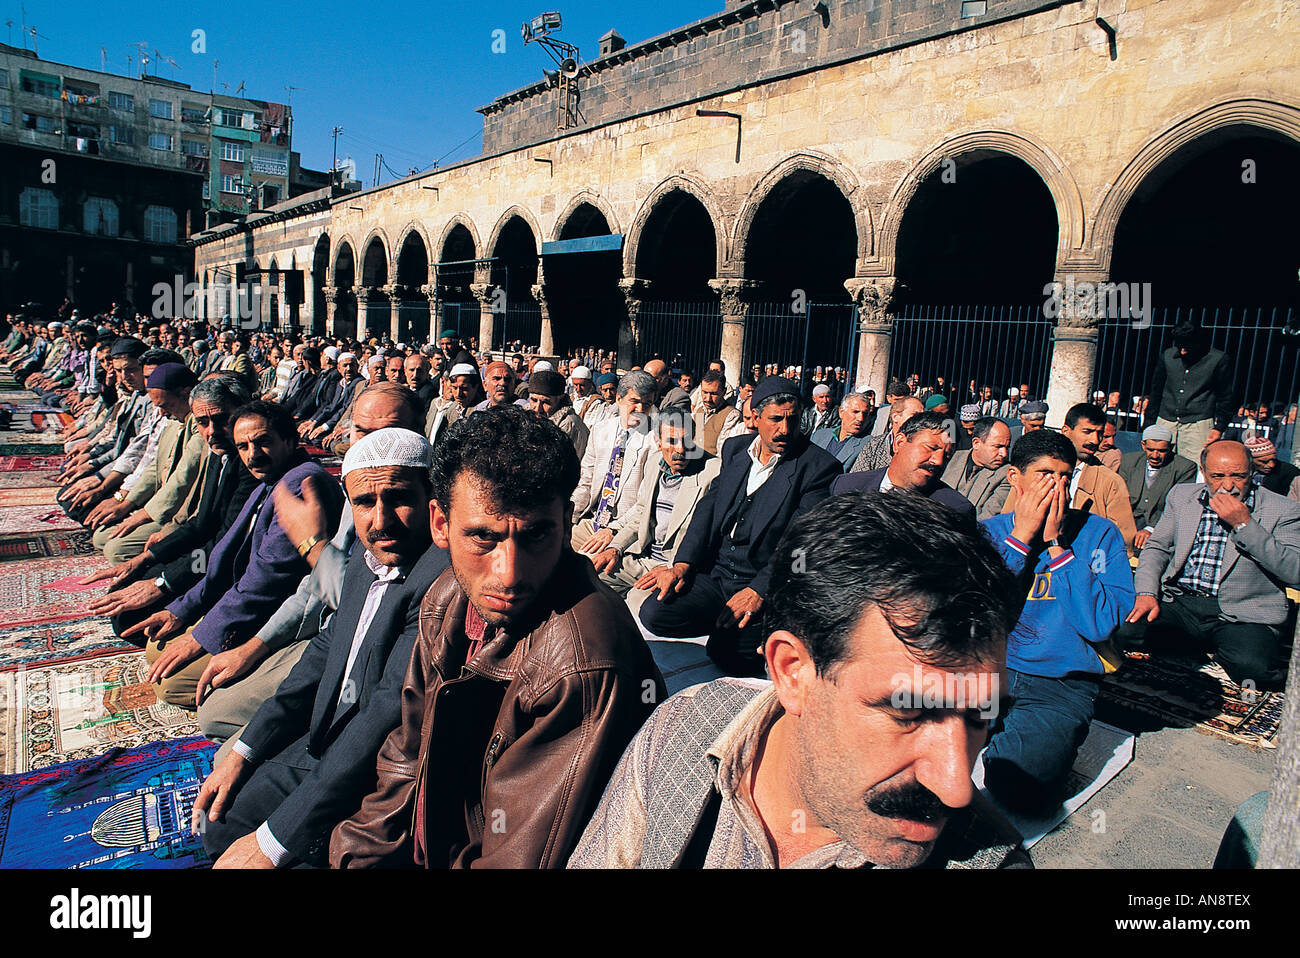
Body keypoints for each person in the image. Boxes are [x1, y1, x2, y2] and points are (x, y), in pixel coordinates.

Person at [570, 492, 1029, 869]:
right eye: (910, 713)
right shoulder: (684, 726)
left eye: (980, 718)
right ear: (792, 672)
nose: (957, 785)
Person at [329, 406, 665, 868]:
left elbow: (516, 857)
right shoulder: (446, 600)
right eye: (483, 538)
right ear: (440, 524)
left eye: (534, 537)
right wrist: (356, 853)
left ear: (567, 524)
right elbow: (406, 759)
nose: (509, 575)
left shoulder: (580, 666)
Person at [193, 428, 450, 868]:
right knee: (220, 819)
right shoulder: (366, 561)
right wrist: (245, 750)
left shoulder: (438, 582)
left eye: (399, 497)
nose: (381, 520)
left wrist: (273, 843)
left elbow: (384, 715)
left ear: (434, 502)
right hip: (328, 742)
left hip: (384, 771)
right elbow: (323, 652)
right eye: (365, 503)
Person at [193, 383, 425, 742]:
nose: (372, 447)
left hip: (367, 649)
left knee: (229, 726)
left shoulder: (420, 499)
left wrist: (312, 544)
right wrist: (257, 646)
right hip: (322, 632)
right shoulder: (357, 484)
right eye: (363, 432)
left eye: (391, 433)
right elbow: (312, 590)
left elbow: (368, 600)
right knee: (213, 708)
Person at [125, 401, 345, 706]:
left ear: (290, 441)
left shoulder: (299, 483)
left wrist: (201, 635)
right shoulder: (270, 480)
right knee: (156, 647)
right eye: (243, 446)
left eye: (262, 442)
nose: (252, 455)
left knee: (172, 685)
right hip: (248, 602)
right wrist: (183, 610)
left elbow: (266, 580)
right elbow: (222, 557)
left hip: (279, 617)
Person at [637, 377, 842, 676]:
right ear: (756, 417)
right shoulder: (736, 450)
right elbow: (707, 510)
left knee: (726, 654)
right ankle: (725, 620)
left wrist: (759, 590)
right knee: (655, 613)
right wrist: (682, 564)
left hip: (765, 582)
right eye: (775, 419)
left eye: (792, 419)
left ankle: (761, 628)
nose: (785, 429)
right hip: (719, 576)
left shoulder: (818, 467)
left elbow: (803, 544)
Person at [980, 429, 1134, 814]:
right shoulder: (990, 532)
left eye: (1066, 476)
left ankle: (1010, 740)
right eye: (1045, 475)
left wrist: (1056, 547)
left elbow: (1100, 624)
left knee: (1021, 787)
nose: (1057, 486)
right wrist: (1020, 538)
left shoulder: (1099, 534)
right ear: (1015, 477)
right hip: (986, 671)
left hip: (1060, 683)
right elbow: (973, 611)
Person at [1122, 440, 1300, 689]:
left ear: (1251, 473)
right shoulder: (1183, 496)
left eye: (1238, 476)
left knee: (1253, 669)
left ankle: (1210, 645)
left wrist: (1244, 525)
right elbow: (1158, 547)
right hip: (1181, 601)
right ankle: (1195, 643)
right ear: (1204, 473)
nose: (1228, 486)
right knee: (1123, 631)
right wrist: (1146, 593)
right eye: (1218, 476)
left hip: (1241, 611)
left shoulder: (1283, 509)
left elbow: (1293, 569)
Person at [589, 410, 721, 605]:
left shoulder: (712, 471)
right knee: (588, 576)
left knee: (637, 602)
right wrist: (615, 547)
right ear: (658, 442)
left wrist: (674, 567)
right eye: (672, 441)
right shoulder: (653, 464)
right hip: (643, 558)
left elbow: (709, 535)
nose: (681, 450)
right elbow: (640, 515)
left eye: (687, 441)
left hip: (675, 566)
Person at [570, 370, 657, 556]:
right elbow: (586, 480)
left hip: (622, 530)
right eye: (634, 401)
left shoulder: (655, 441)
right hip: (592, 520)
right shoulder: (601, 430)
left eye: (647, 404)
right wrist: (569, 516)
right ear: (619, 399)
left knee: (587, 565)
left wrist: (613, 530)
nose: (640, 409)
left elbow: (645, 502)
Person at [832, 411, 975, 517]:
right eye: (931, 448)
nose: (938, 461)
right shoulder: (846, 487)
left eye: (947, 456)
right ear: (899, 442)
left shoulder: (955, 510)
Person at [1145, 320, 1235, 458]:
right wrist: (1149, 423)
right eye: (1179, 346)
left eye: (1187, 346)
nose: (1182, 351)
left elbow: (1226, 397)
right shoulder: (1167, 356)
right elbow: (1156, 391)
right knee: (1159, 462)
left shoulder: (1218, 359)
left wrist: (1219, 427)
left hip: (1198, 424)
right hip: (1165, 420)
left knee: (1194, 466)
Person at [1118, 424, 1198, 549]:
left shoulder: (1184, 468)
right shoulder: (1129, 461)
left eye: (1161, 451)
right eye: (1151, 450)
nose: (1155, 456)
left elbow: (1178, 506)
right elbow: (1119, 499)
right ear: (1143, 445)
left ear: (1171, 448)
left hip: (1160, 525)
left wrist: (1151, 529)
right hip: (1128, 522)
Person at [941, 416, 1012, 520]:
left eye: (1007, 447)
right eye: (998, 447)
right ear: (976, 443)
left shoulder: (1006, 474)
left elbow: (987, 518)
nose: (1004, 454)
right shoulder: (952, 458)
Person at [850, 395, 925, 474]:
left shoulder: (926, 447)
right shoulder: (874, 444)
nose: (921, 420)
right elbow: (857, 476)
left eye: (922, 416)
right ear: (895, 417)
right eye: (914, 415)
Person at [528, 369, 589, 460]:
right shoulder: (526, 416)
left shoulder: (569, 424)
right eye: (534, 400)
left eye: (546, 402)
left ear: (560, 398)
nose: (537, 408)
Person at [811, 391, 874, 471]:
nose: (860, 418)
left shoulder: (868, 444)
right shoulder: (819, 435)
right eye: (855, 412)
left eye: (865, 414)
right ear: (841, 412)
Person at [691, 370, 742, 456]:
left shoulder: (731, 415)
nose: (708, 398)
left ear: (724, 392)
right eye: (705, 392)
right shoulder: (699, 410)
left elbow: (722, 452)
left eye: (713, 394)